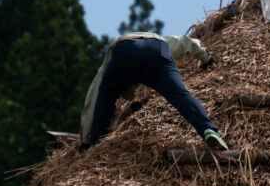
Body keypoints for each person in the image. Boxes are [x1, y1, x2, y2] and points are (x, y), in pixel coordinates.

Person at [80, 32, 230, 151]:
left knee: (106, 94)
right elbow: (188, 43)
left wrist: (86, 140)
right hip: (157, 52)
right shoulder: (162, 40)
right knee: (179, 94)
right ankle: (208, 130)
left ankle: (97, 142)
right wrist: (207, 58)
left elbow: (94, 96)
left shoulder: (113, 53)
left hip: (125, 51)